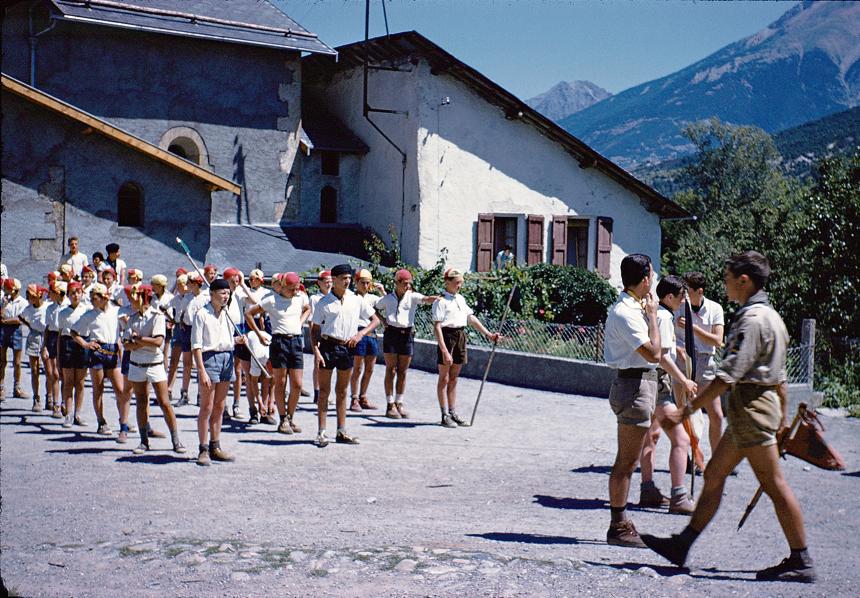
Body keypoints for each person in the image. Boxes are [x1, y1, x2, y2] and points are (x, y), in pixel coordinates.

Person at [642, 251, 815, 583]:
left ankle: (801, 559)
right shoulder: (772, 317)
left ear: (744, 280)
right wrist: (780, 416)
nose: (724, 284)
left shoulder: (750, 320)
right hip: (756, 411)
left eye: (727, 277)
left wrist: (687, 411)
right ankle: (682, 544)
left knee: (774, 484)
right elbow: (780, 379)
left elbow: (726, 376)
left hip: (751, 411)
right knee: (715, 475)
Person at [602, 253, 662, 548]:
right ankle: (618, 525)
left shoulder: (630, 307)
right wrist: (653, 316)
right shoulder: (627, 312)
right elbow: (654, 354)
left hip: (639, 384)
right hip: (634, 384)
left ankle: (620, 522)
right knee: (626, 462)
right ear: (645, 279)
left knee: (629, 460)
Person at [637, 275, 697, 514]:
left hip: (648, 382)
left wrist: (678, 349)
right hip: (659, 385)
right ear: (669, 296)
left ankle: (648, 489)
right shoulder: (663, 316)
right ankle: (679, 496)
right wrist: (684, 380)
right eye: (682, 296)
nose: (684, 301)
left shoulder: (660, 315)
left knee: (650, 436)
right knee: (681, 440)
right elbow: (660, 355)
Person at [310, 264, 380, 447]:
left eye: (349, 277)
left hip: (347, 347)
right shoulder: (323, 302)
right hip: (327, 346)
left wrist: (360, 334)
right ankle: (321, 433)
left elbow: (376, 320)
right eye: (343, 278)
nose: (347, 281)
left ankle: (342, 431)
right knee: (324, 391)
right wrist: (316, 350)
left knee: (342, 391)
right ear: (334, 279)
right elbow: (315, 329)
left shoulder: (356, 300)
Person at [431, 268, 499, 428]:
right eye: (456, 283)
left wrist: (488, 334)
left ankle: (453, 412)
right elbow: (437, 328)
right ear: (447, 282)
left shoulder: (460, 299)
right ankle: (444, 414)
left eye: (461, 282)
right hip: (447, 338)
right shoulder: (440, 302)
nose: (459, 286)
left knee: (454, 378)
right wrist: (444, 351)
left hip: (460, 336)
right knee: (444, 378)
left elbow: (471, 318)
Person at [123, 284, 186, 455]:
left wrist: (138, 339)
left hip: (155, 365)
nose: (132, 299)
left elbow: (158, 342)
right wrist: (140, 342)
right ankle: (144, 442)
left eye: (136, 296)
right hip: (137, 365)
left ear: (145, 298)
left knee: (164, 403)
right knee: (141, 403)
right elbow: (126, 344)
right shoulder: (132, 318)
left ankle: (176, 440)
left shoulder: (157, 316)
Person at [245, 272, 310, 433]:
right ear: (283, 286)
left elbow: (308, 309)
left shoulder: (300, 297)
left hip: (295, 341)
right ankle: (283, 419)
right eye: (292, 289)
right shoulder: (271, 300)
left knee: (297, 384)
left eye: (297, 289)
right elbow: (249, 314)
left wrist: (299, 323)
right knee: (280, 382)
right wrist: (259, 334)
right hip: (279, 342)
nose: (296, 292)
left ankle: (291, 416)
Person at [191, 278, 243, 465]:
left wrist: (238, 341)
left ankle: (215, 446)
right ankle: (203, 449)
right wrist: (202, 371)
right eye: (222, 293)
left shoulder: (228, 314)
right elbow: (196, 346)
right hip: (209, 359)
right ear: (211, 294)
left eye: (228, 293)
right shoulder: (202, 314)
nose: (226, 296)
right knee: (207, 406)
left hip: (227, 358)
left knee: (220, 406)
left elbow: (226, 340)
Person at [71, 283, 132, 439]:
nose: (92, 300)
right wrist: (85, 344)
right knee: (98, 389)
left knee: (120, 389)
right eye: (91, 297)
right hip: (97, 352)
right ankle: (101, 421)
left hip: (112, 351)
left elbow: (131, 313)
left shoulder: (116, 310)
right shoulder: (89, 315)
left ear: (105, 298)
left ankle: (123, 420)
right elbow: (74, 331)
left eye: (95, 298)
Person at [375, 269, 438, 419]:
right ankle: (390, 404)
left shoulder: (413, 297)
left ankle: (399, 402)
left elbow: (426, 299)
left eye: (409, 283)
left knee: (403, 371)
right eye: (404, 283)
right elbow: (375, 308)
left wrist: (436, 298)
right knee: (391, 370)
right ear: (397, 283)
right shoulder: (388, 298)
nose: (408, 286)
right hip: (391, 334)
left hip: (407, 334)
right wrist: (383, 321)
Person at [676, 271, 725, 455]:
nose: (684, 295)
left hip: (705, 363)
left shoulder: (715, 309)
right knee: (686, 414)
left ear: (699, 291)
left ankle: (717, 458)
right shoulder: (678, 307)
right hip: (684, 362)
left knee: (717, 415)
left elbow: (718, 340)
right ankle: (691, 458)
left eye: (687, 290)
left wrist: (693, 328)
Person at [349, 269, 384, 412]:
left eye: (367, 283)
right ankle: (354, 398)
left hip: (371, 333)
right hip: (358, 331)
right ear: (356, 283)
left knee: (369, 368)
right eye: (362, 282)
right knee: (357, 368)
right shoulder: (351, 297)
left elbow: (388, 305)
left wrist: (382, 290)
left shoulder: (373, 298)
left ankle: (363, 396)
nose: (365, 285)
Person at [57, 281, 91, 428]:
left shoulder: (87, 310)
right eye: (72, 292)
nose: (75, 295)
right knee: (68, 381)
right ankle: (69, 414)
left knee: (80, 382)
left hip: (83, 344)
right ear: (68, 295)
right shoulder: (63, 312)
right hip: (67, 344)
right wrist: (58, 356)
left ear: (82, 293)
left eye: (78, 292)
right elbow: (60, 334)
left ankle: (78, 413)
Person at [18, 284, 51, 411]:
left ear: (39, 296)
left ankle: (49, 396)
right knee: (35, 370)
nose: (29, 298)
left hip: (46, 337)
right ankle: (36, 398)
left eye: (31, 296)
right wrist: (29, 325)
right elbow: (21, 316)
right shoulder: (28, 309)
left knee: (48, 370)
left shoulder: (46, 307)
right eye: (28, 296)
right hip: (34, 337)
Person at [1, 278, 30, 400]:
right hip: (3, 330)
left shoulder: (22, 302)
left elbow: (19, 319)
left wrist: (4, 321)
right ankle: (1, 387)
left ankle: (17, 387)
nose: (5, 291)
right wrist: (4, 306)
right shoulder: (3, 301)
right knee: (2, 361)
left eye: (7, 289)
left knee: (17, 362)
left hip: (16, 330)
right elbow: (1, 314)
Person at [167, 273, 193, 405]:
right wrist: (170, 319)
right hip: (178, 327)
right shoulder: (176, 298)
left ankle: (187, 392)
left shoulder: (190, 298)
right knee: (174, 360)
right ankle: (169, 388)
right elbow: (164, 307)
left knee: (189, 362)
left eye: (181, 285)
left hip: (188, 328)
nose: (178, 287)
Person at [43, 281, 67, 417]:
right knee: (54, 374)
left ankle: (64, 402)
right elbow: (47, 328)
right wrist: (44, 346)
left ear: (59, 293)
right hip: (52, 338)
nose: (49, 295)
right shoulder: (49, 308)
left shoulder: (68, 305)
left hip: (64, 338)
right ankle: (56, 404)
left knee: (64, 374)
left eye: (51, 292)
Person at [309, 270, 332, 404]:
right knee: (318, 364)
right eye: (326, 282)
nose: (328, 284)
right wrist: (314, 340)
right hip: (319, 332)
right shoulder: (315, 298)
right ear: (319, 283)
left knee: (328, 365)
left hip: (329, 333)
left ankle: (326, 392)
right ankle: (317, 392)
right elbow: (312, 320)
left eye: (330, 281)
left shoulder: (334, 297)